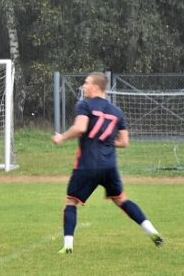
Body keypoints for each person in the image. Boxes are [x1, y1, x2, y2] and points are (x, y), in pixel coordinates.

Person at [52, 72, 163, 254]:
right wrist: (105, 143)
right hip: (109, 166)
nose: (84, 86)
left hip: (87, 164)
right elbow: (124, 142)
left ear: (96, 86)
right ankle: (152, 231)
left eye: (86, 83)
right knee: (121, 200)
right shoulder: (116, 111)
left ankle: (68, 245)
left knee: (71, 202)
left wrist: (61, 137)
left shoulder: (84, 105)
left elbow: (80, 127)